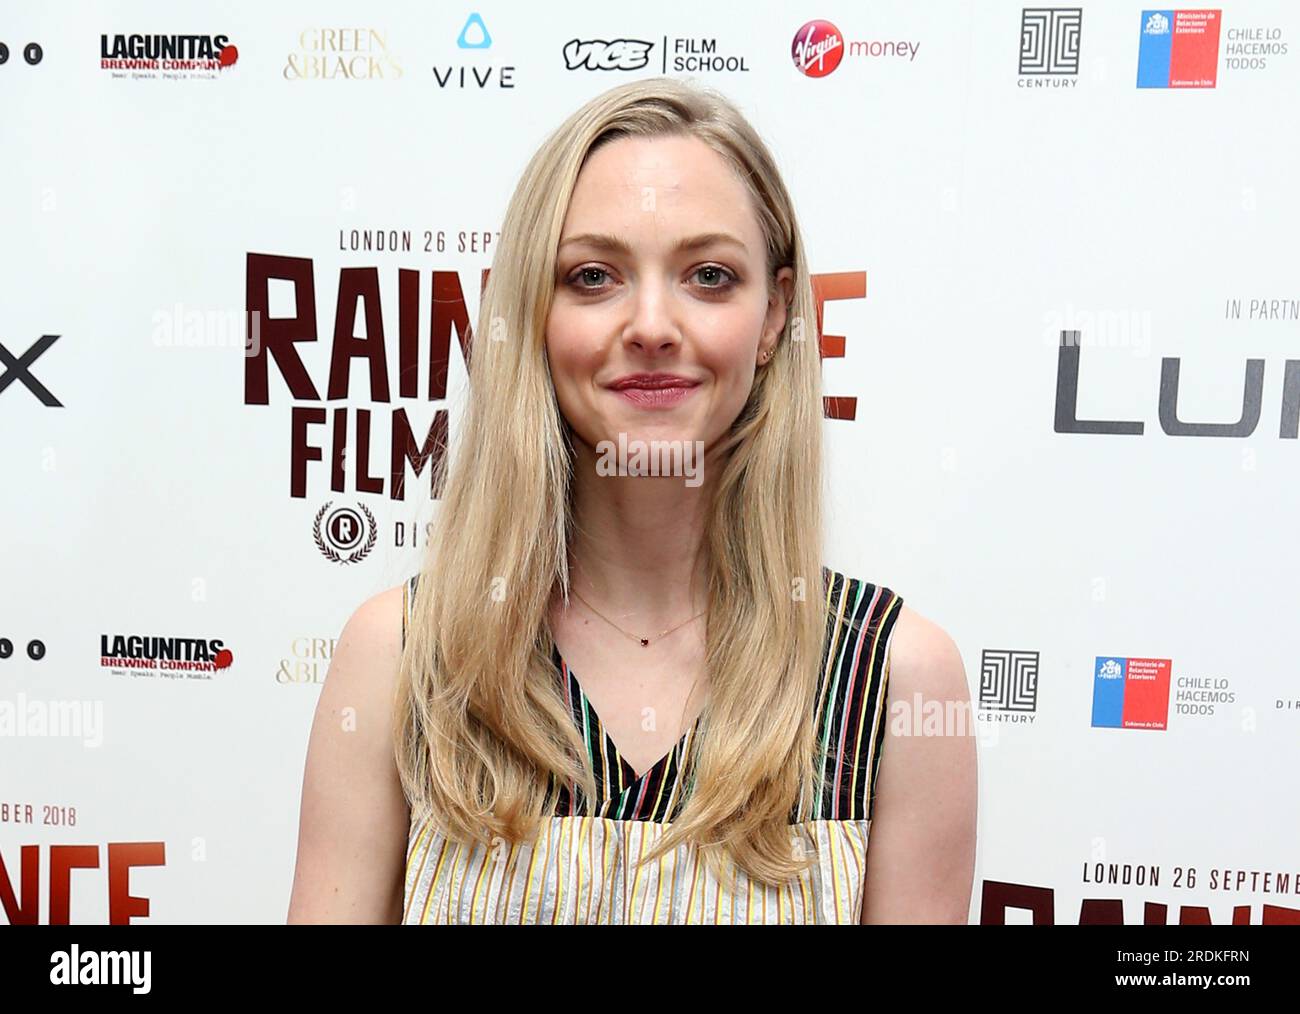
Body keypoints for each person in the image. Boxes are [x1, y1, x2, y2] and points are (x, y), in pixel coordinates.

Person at [287, 77, 976, 925]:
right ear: (530, 315)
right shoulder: (401, 658)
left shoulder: (898, 679)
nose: (651, 323)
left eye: (710, 275)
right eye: (593, 276)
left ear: (775, 317)